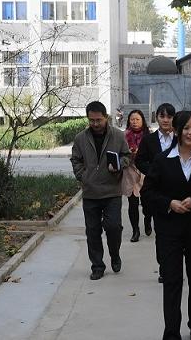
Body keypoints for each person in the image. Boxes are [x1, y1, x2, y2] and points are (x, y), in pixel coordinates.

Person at [142, 110, 191, 340]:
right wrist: (169, 203)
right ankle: (171, 331)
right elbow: (148, 193)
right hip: (170, 230)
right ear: (176, 131)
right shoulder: (162, 160)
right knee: (172, 281)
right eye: (186, 128)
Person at [70, 101, 130, 280]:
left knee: (113, 227)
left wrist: (119, 165)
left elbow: (127, 156)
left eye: (98, 120)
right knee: (92, 231)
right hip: (90, 192)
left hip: (112, 190)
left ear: (106, 117)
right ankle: (97, 266)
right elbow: (75, 159)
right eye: (91, 120)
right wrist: (83, 175)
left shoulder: (118, 136)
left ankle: (115, 254)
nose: (95, 124)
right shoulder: (80, 138)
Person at [136, 103, 177, 282]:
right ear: (157, 118)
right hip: (158, 193)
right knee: (161, 233)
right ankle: (164, 268)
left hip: (179, 192)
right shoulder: (149, 140)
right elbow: (139, 161)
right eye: (162, 116)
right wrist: (154, 172)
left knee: (179, 234)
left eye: (169, 117)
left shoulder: (181, 138)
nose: (166, 120)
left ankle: (176, 266)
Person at [124, 109, 150, 243]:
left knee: (147, 203)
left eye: (137, 119)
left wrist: (141, 153)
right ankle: (135, 231)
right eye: (132, 119)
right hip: (130, 171)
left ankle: (148, 219)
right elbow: (120, 154)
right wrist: (128, 154)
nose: (134, 122)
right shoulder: (124, 136)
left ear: (142, 121)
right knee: (132, 204)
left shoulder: (149, 136)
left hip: (145, 173)